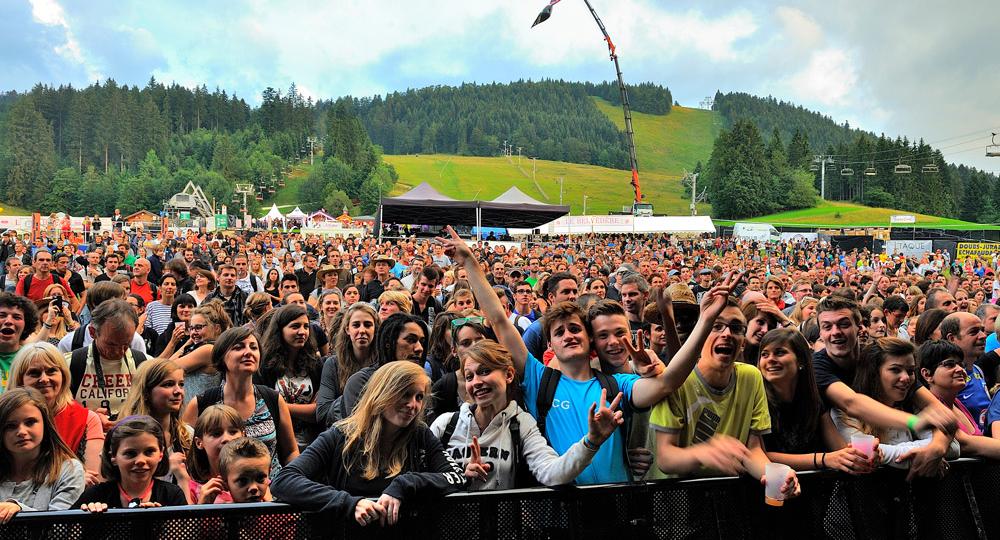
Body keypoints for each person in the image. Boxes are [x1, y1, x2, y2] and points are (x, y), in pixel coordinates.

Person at [438, 225, 730, 485]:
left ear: (588, 338)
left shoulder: (617, 385)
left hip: (615, 508)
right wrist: (470, 262)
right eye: (559, 331)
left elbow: (668, 383)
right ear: (550, 343)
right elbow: (500, 321)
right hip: (563, 511)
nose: (569, 335)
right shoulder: (541, 379)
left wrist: (705, 322)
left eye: (575, 328)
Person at [271, 361, 466, 527]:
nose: (413, 405)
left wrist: (406, 483)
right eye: (405, 394)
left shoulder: (420, 435)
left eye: (419, 397)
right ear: (382, 393)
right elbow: (285, 480)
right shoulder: (340, 436)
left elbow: (456, 477)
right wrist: (349, 503)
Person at [651, 296, 799, 503]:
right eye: (716, 326)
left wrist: (773, 475)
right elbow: (665, 458)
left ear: (742, 343)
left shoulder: (751, 377)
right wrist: (704, 452)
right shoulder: (676, 381)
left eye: (736, 328)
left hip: (726, 499)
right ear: (700, 335)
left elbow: (753, 449)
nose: (727, 334)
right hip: (677, 499)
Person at [431, 340, 623, 490]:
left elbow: (551, 473)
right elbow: (419, 472)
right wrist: (459, 476)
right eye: (470, 377)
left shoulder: (521, 423)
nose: (476, 382)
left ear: (509, 375)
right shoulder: (446, 424)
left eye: (485, 371)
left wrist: (591, 442)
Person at [811, 295, 956, 480]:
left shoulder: (878, 358)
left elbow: (939, 412)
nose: (835, 332)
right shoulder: (817, 366)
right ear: (820, 333)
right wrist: (914, 422)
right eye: (827, 326)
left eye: (844, 324)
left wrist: (937, 448)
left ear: (860, 326)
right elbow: (851, 403)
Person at [182, 327, 299, 479]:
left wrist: (290, 481)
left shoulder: (273, 399)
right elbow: (185, 455)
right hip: (219, 496)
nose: (248, 352)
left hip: (270, 496)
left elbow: (291, 451)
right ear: (221, 356)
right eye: (239, 347)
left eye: (253, 347)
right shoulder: (202, 403)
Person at [757, 329, 872, 473]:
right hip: (774, 489)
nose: (770, 359)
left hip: (816, 490)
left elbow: (838, 447)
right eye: (764, 354)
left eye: (779, 352)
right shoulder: (757, 401)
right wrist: (824, 459)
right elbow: (760, 455)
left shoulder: (813, 398)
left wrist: (860, 456)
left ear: (801, 361)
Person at [7, 342, 104, 485]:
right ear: (19, 379)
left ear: (63, 375)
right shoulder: (4, 417)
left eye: (51, 371)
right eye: (34, 373)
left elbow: (95, 481)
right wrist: (71, 478)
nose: (44, 379)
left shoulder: (87, 420)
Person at [0, 387, 85, 522]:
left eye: (30, 422)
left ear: (46, 424)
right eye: (10, 426)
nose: (21, 431)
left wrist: (20, 511)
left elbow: (59, 530)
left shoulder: (69, 470)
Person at [75, 415, 187, 511]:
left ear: (161, 453)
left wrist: (160, 523)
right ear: (113, 457)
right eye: (130, 453)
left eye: (149, 452)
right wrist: (87, 520)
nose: (140, 461)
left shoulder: (172, 495)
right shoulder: (95, 496)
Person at [68, 298, 149, 423]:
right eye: (111, 345)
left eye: (126, 344)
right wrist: (88, 419)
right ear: (92, 332)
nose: (119, 352)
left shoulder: (143, 363)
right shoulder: (70, 364)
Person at [257, 305, 324, 451]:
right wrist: (304, 409)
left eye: (306, 326)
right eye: (295, 326)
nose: (302, 332)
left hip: (311, 444)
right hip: (275, 443)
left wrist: (279, 405)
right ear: (280, 329)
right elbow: (262, 409)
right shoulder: (264, 364)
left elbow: (318, 411)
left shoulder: (315, 363)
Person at [119, 358, 192, 484]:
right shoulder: (123, 436)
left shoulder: (187, 434)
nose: (178, 391)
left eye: (181, 384)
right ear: (146, 391)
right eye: (168, 384)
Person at [316, 303, 379, 427]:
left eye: (368, 325)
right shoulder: (333, 364)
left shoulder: (383, 363)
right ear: (347, 329)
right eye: (356, 325)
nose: (362, 330)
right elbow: (322, 413)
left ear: (375, 329)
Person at [165, 301, 231, 405]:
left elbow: (166, 368)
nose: (193, 332)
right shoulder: (203, 347)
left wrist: (187, 343)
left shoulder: (208, 350)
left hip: (198, 415)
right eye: (191, 328)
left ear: (217, 328)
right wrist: (189, 342)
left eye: (198, 327)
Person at [185, 404, 245, 504]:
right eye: (216, 434)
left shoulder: (256, 479)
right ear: (199, 443)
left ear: (243, 435)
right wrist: (202, 506)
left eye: (233, 432)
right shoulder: (191, 489)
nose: (226, 439)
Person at [218, 436, 273, 503]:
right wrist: (203, 507)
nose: (253, 488)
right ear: (225, 483)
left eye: (260, 478)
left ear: (269, 475)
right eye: (242, 481)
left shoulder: (281, 510)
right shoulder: (218, 512)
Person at [152, 292, 197, 358]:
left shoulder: (200, 332)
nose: (186, 310)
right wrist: (173, 342)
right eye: (182, 306)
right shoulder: (165, 335)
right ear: (175, 310)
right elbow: (158, 363)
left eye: (190, 306)